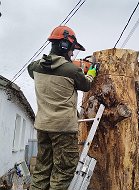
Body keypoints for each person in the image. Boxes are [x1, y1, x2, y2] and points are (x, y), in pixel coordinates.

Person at [28, 25, 96, 190]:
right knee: (63, 171)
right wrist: (91, 72)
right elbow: (86, 85)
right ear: (65, 46)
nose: (73, 54)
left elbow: (51, 70)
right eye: (72, 50)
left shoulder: (34, 67)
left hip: (43, 127)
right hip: (63, 129)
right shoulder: (71, 70)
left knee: (42, 170)